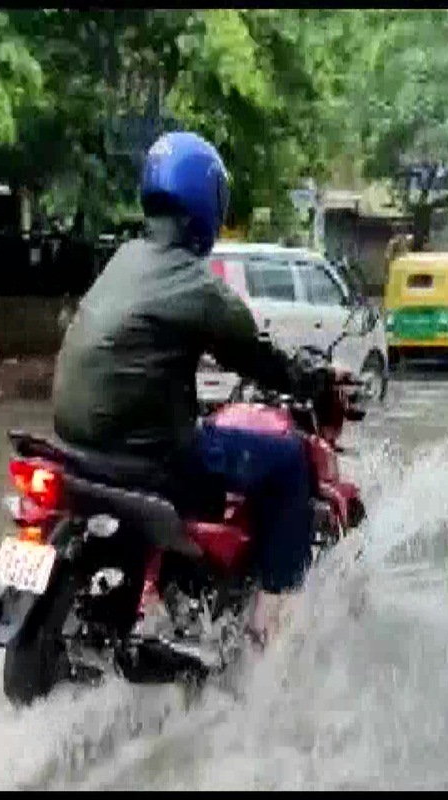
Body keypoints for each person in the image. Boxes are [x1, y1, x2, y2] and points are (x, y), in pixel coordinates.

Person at [51, 131, 319, 645]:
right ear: (207, 203)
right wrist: (305, 379)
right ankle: (275, 625)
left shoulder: (124, 258)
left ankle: (181, 584)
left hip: (78, 446)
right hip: (149, 454)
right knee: (286, 459)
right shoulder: (196, 285)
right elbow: (256, 357)